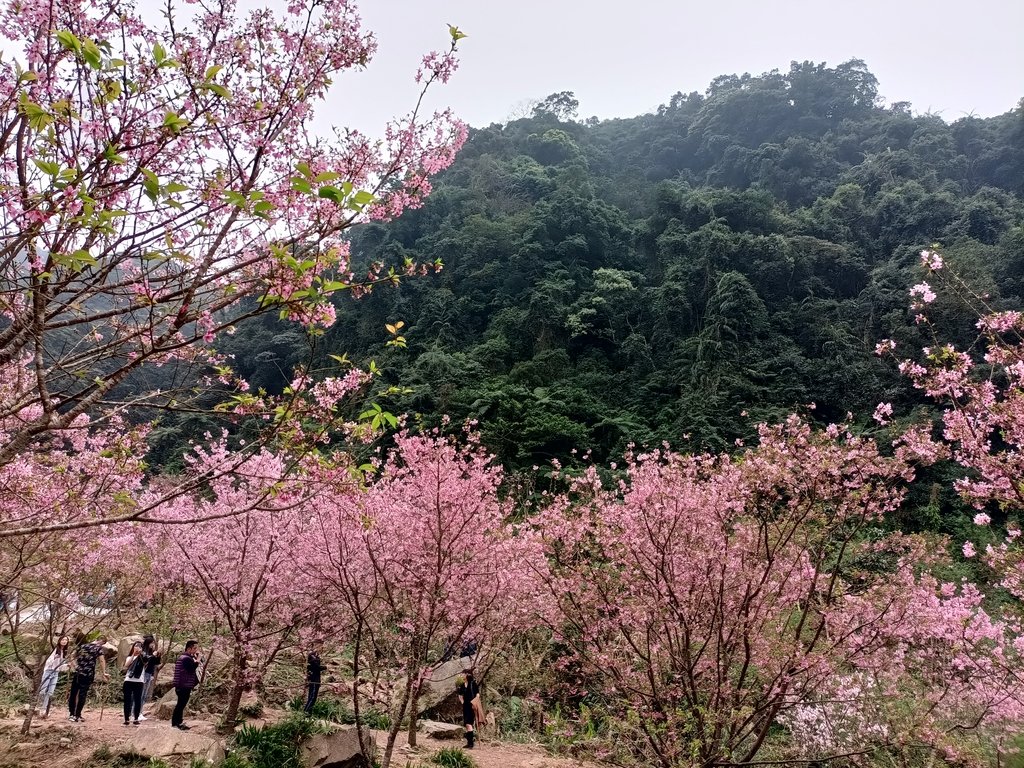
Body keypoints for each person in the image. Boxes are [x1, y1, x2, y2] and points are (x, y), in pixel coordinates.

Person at [67, 635, 109, 722]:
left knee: (74, 692)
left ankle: (71, 714)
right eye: (103, 643)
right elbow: (101, 660)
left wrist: (75, 666)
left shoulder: (83, 646)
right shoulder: (98, 648)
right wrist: (104, 672)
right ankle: (77, 714)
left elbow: (72, 656)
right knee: (82, 694)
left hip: (78, 672)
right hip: (88, 673)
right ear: (101, 641)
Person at [38, 635, 72, 718]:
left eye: (66, 640)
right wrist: (53, 660)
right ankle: (37, 708)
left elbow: (60, 665)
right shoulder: (54, 649)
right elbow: (48, 661)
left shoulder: (64, 651)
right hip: (48, 671)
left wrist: (67, 665)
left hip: (55, 673)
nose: (64, 641)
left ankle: (44, 709)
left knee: (50, 692)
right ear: (59, 640)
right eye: (63, 639)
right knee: (43, 690)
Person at [170, 640, 201, 730]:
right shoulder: (186, 658)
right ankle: (176, 723)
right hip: (183, 685)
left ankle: (178, 722)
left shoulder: (186, 658)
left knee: (181, 704)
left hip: (183, 685)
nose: (196, 650)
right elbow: (191, 669)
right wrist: (197, 660)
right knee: (180, 705)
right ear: (189, 648)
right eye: (194, 648)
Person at [122, 641, 146, 726]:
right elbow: (127, 665)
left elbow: (146, 662)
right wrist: (133, 654)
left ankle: (136, 718)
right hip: (128, 680)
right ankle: (126, 719)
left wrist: (140, 654)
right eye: (136, 646)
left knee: (137, 700)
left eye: (139, 646)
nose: (137, 647)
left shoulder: (143, 657)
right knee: (127, 700)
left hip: (139, 681)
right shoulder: (129, 657)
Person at [456, 667, 480, 749]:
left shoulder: (473, 683)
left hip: (472, 706)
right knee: (466, 724)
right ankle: (469, 742)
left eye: (463, 674)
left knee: (469, 723)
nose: (461, 675)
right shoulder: (462, 685)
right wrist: (463, 702)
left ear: (467, 675)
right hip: (465, 706)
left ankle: (471, 743)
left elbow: (477, 694)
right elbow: (460, 695)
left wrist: (474, 702)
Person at [139, 635, 162, 719]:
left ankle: (139, 712)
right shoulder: (144, 651)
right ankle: (136, 712)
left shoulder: (151, 651)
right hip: (143, 674)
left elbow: (156, 662)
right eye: (151, 643)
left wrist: (158, 655)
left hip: (149, 674)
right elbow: (145, 661)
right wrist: (153, 655)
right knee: (141, 694)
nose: (152, 645)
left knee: (144, 694)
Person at [304, 640, 324, 715]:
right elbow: (316, 667)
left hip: (315, 678)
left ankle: (308, 714)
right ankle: (305, 714)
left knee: (312, 697)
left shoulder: (316, 655)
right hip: (314, 679)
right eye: (320, 645)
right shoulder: (312, 655)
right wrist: (325, 667)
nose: (322, 647)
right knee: (312, 697)